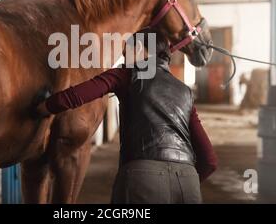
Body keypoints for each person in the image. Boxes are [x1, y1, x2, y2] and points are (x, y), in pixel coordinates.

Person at [35, 27, 217, 204]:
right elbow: (209, 160)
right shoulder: (185, 92)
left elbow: (76, 96)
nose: (124, 57)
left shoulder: (126, 74)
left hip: (143, 178)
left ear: (137, 48)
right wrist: (184, 181)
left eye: (125, 51)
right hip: (188, 181)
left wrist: (43, 107)